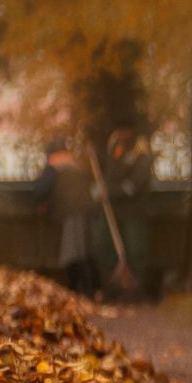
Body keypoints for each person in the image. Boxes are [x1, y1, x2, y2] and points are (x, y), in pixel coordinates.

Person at [30, 141, 99, 295]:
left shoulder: (55, 164)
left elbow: (39, 190)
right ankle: (77, 290)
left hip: (72, 213)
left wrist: (44, 202)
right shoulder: (75, 164)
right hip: (87, 213)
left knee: (75, 254)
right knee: (81, 252)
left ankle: (87, 293)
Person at [101, 127, 155, 299]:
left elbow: (136, 184)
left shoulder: (140, 149)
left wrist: (112, 191)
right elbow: (110, 173)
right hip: (114, 211)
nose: (119, 133)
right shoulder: (114, 144)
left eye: (122, 130)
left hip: (134, 210)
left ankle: (136, 293)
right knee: (106, 248)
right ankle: (111, 291)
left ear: (130, 130)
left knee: (136, 250)